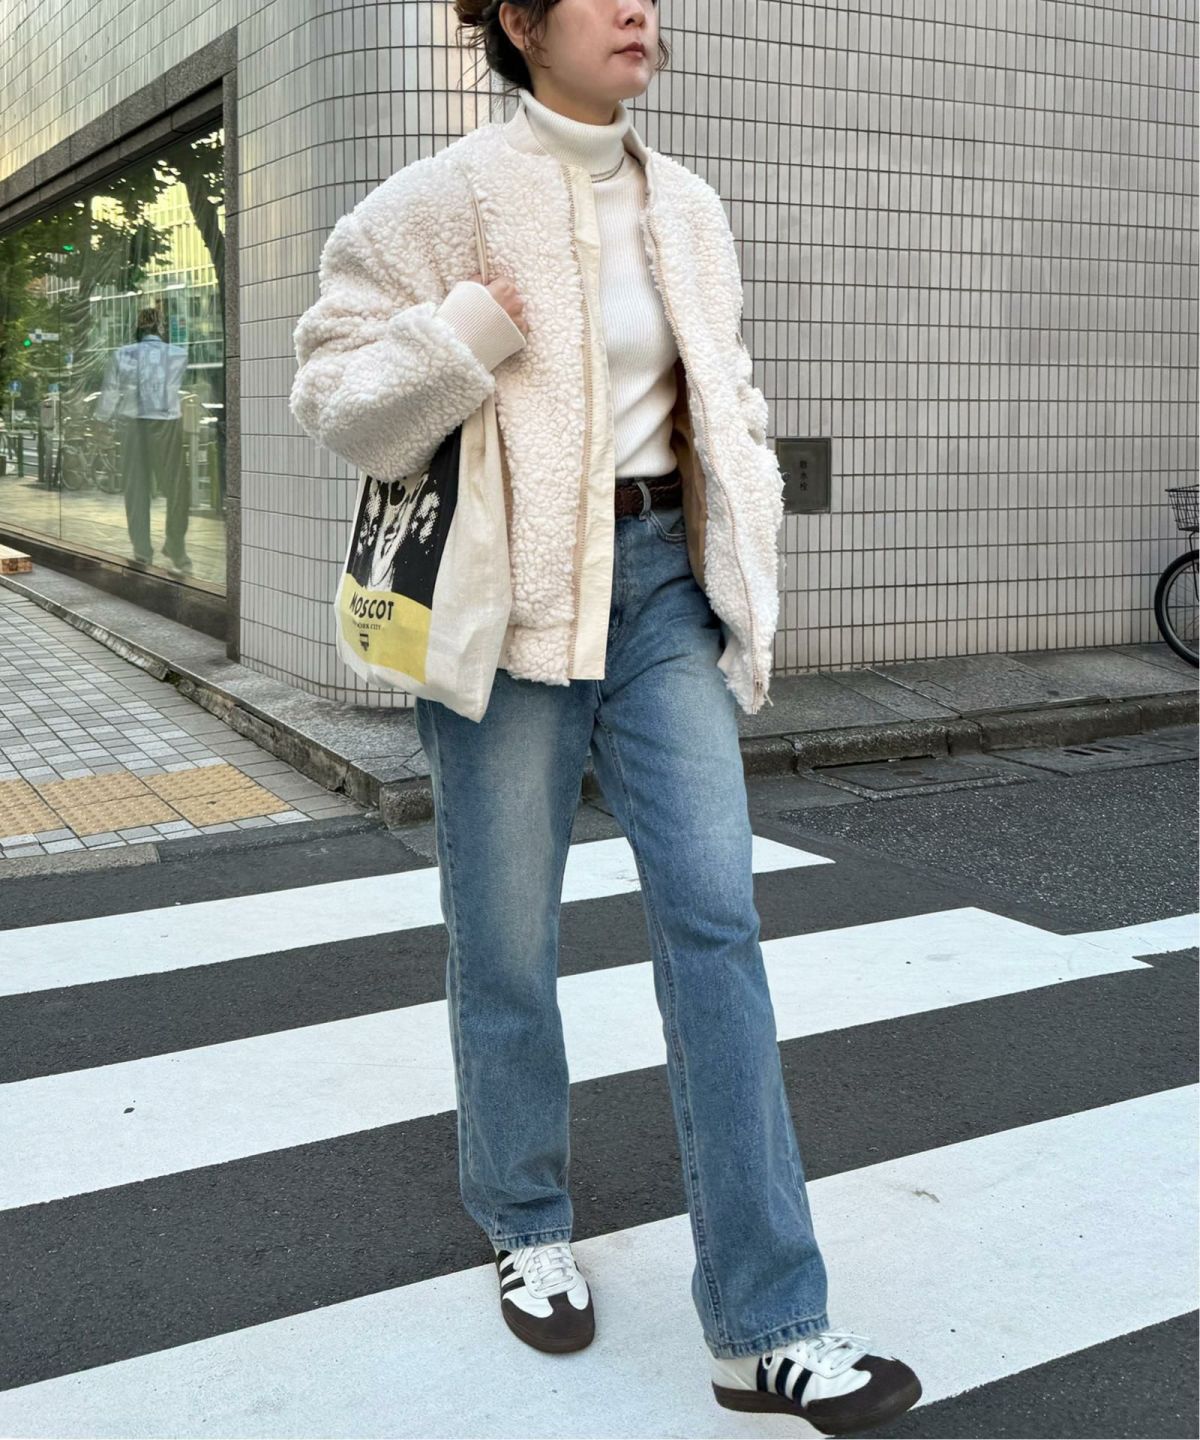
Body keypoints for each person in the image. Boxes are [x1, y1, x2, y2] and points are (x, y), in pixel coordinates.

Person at [289, 2, 922, 1431]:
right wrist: (461, 333)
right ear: (518, 21)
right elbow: (332, 395)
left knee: (718, 919)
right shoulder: (440, 199)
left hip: (661, 598)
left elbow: (722, 390)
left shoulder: (685, 202)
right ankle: (523, 1217)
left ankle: (767, 1324)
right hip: (512, 613)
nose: (640, 7)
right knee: (507, 934)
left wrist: (742, 515)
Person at [95, 305, 192, 574]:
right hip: (166, 422)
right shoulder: (178, 354)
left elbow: (110, 392)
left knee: (136, 487)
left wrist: (101, 421)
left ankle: (142, 550)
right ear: (162, 327)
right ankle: (175, 545)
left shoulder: (122, 354)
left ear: (137, 327)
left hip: (132, 423)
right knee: (176, 488)